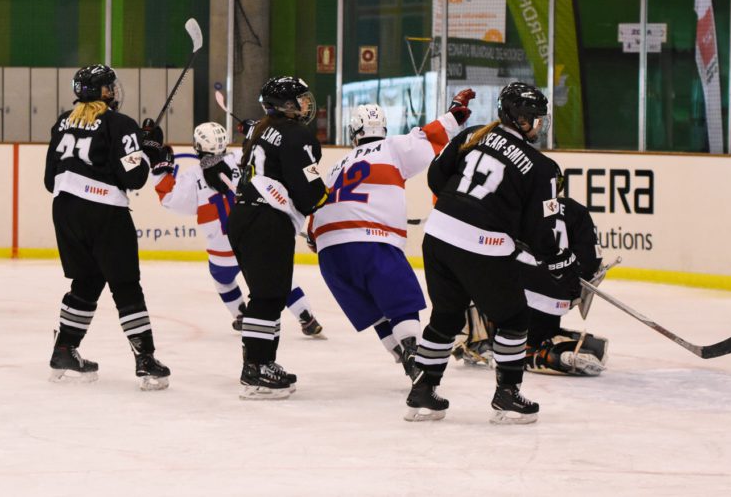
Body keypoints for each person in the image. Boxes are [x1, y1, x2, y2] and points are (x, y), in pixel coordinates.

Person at [404, 82, 579, 425]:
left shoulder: (472, 135)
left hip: (438, 235)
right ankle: (508, 395)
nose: (539, 125)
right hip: (480, 245)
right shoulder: (541, 167)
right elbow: (542, 230)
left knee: (446, 317)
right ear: (520, 117)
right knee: (513, 319)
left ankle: (423, 390)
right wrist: (562, 264)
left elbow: (438, 179)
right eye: (535, 118)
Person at [307, 92, 473, 378]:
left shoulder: (336, 167)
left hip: (329, 251)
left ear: (353, 133)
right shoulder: (393, 147)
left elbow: (313, 216)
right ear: (383, 130)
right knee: (400, 302)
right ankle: (411, 352)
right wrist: (455, 113)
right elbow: (432, 135)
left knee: (376, 309)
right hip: (373, 240)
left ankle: (399, 352)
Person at [43, 64, 172, 390]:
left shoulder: (62, 122)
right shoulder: (120, 123)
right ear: (106, 92)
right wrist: (148, 149)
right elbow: (134, 177)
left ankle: (64, 350)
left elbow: (49, 180)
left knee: (86, 280)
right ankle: (145, 360)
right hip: (105, 213)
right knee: (126, 284)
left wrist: (134, 145)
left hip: (64, 210)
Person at [153, 121, 326, 336]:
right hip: (252, 235)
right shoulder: (241, 157)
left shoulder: (191, 176)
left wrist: (161, 171)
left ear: (197, 146)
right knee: (277, 276)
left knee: (222, 281)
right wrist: (254, 130)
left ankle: (240, 315)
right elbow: (264, 152)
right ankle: (306, 317)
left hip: (222, 252)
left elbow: (171, 200)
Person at [454, 163, 609, 376]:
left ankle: (485, 344)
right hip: (556, 302)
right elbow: (591, 262)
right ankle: (557, 347)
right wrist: (569, 288)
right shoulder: (577, 211)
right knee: (539, 333)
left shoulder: (517, 209)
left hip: (519, 295)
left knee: (470, 273)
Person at [228, 76, 328, 399]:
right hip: (266, 220)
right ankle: (255, 368)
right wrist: (322, 199)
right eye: (299, 99)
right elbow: (310, 191)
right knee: (267, 296)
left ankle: (263, 363)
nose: (304, 104)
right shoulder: (295, 133)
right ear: (286, 105)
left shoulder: (261, 131)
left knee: (268, 294)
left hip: (245, 217)